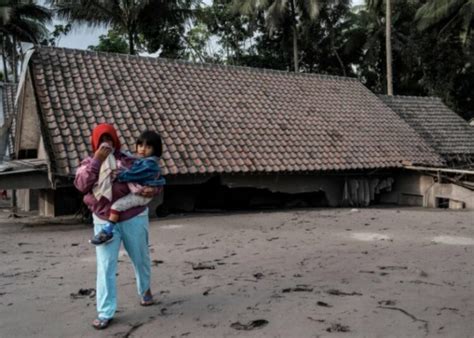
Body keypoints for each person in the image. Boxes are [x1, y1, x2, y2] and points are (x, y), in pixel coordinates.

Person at [74, 124, 160, 330]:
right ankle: (105, 311)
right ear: (95, 143)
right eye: (102, 139)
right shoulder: (87, 164)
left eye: (110, 139)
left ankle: (145, 289)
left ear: (116, 140)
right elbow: (82, 185)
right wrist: (98, 161)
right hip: (104, 220)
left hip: (133, 217)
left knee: (140, 258)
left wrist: (154, 189)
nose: (107, 143)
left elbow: (152, 176)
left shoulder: (130, 160)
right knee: (105, 267)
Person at [89, 130, 166, 245]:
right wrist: (97, 161)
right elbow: (82, 185)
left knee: (116, 206)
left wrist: (118, 175)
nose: (143, 149)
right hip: (101, 215)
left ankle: (107, 231)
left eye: (148, 147)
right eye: (140, 145)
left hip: (138, 203)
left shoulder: (148, 163)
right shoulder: (89, 162)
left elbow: (135, 174)